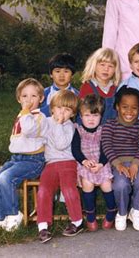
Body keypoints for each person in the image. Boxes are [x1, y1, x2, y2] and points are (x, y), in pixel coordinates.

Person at [0, 79, 47, 232]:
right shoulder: (21, 115)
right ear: (19, 99)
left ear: (41, 99)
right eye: (24, 96)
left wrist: (25, 112)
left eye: (33, 96)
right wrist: (23, 113)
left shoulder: (40, 117)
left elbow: (30, 130)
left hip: (33, 161)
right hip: (16, 158)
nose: (28, 100)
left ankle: (14, 214)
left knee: (6, 178)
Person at [101, 86, 139, 232]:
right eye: (125, 107)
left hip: (136, 162)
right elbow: (107, 146)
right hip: (117, 163)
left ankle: (136, 210)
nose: (129, 111)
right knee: (121, 184)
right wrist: (118, 165)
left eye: (134, 108)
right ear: (117, 107)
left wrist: (135, 164)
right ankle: (121, 213)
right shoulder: (110, 125)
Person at [36, 90, 81, 243]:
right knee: (44, 190)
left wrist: (59, 124)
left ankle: (76, 221)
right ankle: (43, 226)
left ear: (72, 114)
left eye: (67, 109)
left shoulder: (69, 126)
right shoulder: (46, 121)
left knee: (68, 189)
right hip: (50, 164)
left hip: (68, 162)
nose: (62, 112)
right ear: (52, 108)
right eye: (59, 107)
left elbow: (61, 145)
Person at [71, 94, 116, 231]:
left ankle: (111, 211)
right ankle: (90, 215)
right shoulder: (78, 130)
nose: (91, 119)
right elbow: (75, 149)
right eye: (87, 115)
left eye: (95, 115)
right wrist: (84, 161)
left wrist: (101, 164)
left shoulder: (104, 130)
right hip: (84, 162)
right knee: (87, 183)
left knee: (106, 184)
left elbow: (107, 149)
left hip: (101, 162)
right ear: (80, 116)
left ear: (101, 116)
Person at [79, 48, 122, 124]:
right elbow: (81, 114)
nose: (106, 69)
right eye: (102, 65)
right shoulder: (87, 87)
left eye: (110, 66)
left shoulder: (117, 88)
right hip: (93, 131)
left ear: (115, 69)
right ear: (94, 66)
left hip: (113, 131)